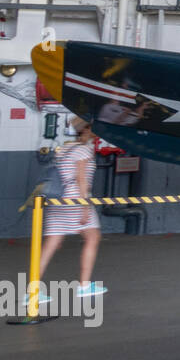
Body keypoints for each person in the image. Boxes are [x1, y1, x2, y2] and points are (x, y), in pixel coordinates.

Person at [37, 117, 105, 297]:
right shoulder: (84, 150)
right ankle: (84, 285)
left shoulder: (64, 149)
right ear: (87, 130)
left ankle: (33, 290)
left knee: (51, 243)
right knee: (92, 236)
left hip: (58, 200)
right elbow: (81, 179)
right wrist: (84, 206)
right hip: (75, 200)